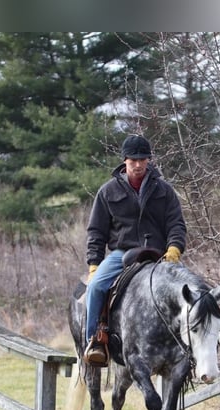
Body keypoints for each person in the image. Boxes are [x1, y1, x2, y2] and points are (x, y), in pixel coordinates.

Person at [83, 134, 187, 366]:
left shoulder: (165, 190)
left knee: (191, 289)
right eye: (133, 160)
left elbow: (176, 224)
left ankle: (188, 346)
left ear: (149, 160)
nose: (138, 165)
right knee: (96, 287)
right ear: (125, 161)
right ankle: (94, 341)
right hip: (122, 254)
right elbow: (96, 232)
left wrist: (174, 249)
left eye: (143, 159)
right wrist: (94, 264)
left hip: (161, 255)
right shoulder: (107, 192)